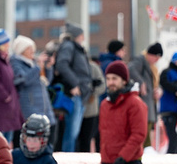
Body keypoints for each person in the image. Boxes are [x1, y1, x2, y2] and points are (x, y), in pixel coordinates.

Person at [10, 35, 56, 148]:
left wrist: (48, 68)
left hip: (45, 108)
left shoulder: (33, 63)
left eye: (33, 48)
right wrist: (38, 67)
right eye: (29, 48)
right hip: (30, 108)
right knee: (32, 142)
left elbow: (46, 82)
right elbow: (24, 80)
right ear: (21, 50)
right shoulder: (16, 63)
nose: (33, 51)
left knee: (50, 137)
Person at [54, 22, 92, 152]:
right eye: (82, 35)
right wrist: (75, 84)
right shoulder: (69, 46)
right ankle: (67, 158)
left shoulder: (75, 48)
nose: (84, 38)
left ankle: (69, 156)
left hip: (81, 94)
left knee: (74, 132)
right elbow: (62, 65)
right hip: (74, 94)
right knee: (71, 131)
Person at [128, 42, 163, 147]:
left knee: (147, 136)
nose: (157, 60)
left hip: (150, 105)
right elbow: (130, 69)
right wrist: (141, 82)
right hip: (143, 105)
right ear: (150, 54)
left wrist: (158, 90)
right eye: (156, 57)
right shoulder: (140, 60)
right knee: (143, 135)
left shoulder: (153, 68)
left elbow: (156, 84)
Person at [159, 52, 177, 154]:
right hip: (168, 109)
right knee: (173, 139)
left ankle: (174, 160)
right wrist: (175, 89)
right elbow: (164, 82)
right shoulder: (167, 72)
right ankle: (169, 161)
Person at [77, 57, 106, 152]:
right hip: (74, 110)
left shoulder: (93, 67)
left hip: (90, 111)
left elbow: (102, 85)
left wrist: (93, 93)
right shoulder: (74, 67)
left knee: (87, 139)